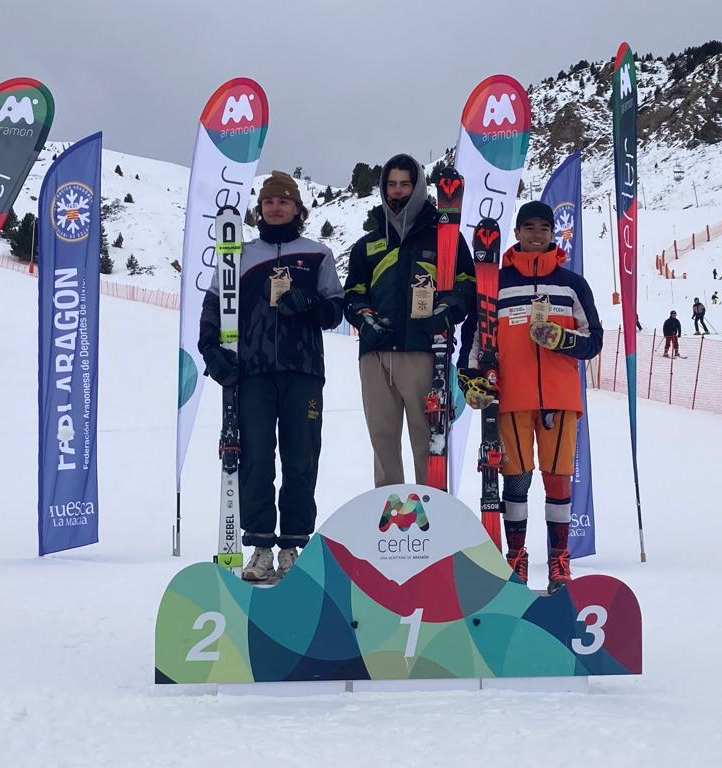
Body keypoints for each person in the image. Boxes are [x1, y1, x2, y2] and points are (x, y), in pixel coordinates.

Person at [198, 171, 345, 582]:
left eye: (283, 201)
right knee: (256, 458)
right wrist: (211, 350)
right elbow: (214, 305)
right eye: (268, 202)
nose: (275, 207)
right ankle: (261, 547)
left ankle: (292, 546)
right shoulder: (239, 255)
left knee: (301, 458)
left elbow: (336, 310)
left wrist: (310, 303)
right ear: (259, 209)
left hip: (303, 371)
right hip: (253, 373)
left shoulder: (317, 254)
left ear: (298, 208)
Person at [458, 201, 602, 594]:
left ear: (552, 234)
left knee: (558, 483)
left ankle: (559, 560)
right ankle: (516, 557)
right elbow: (475, 337)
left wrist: (562, 339)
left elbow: (593, 340)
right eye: (529, 227)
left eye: (544, 228)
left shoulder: (572, 285)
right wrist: (469, 378)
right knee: (516, 482)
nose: (537, 234)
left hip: (559, 400)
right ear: (517, 232)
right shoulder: (497, 283)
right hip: (511, 398)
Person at [344, 154, 475, 487]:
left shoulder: (443, 237)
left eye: (405, 184)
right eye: (392, 184)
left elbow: (467, 284)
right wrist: (364, 318)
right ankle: (390, 511)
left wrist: (447, 310)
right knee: (382, 443)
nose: (398, 191)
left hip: (424, 351)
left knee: (427, 442)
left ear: (417, 188)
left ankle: (432, 511)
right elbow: (353, 293)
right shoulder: (368, 244)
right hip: (376, 354)